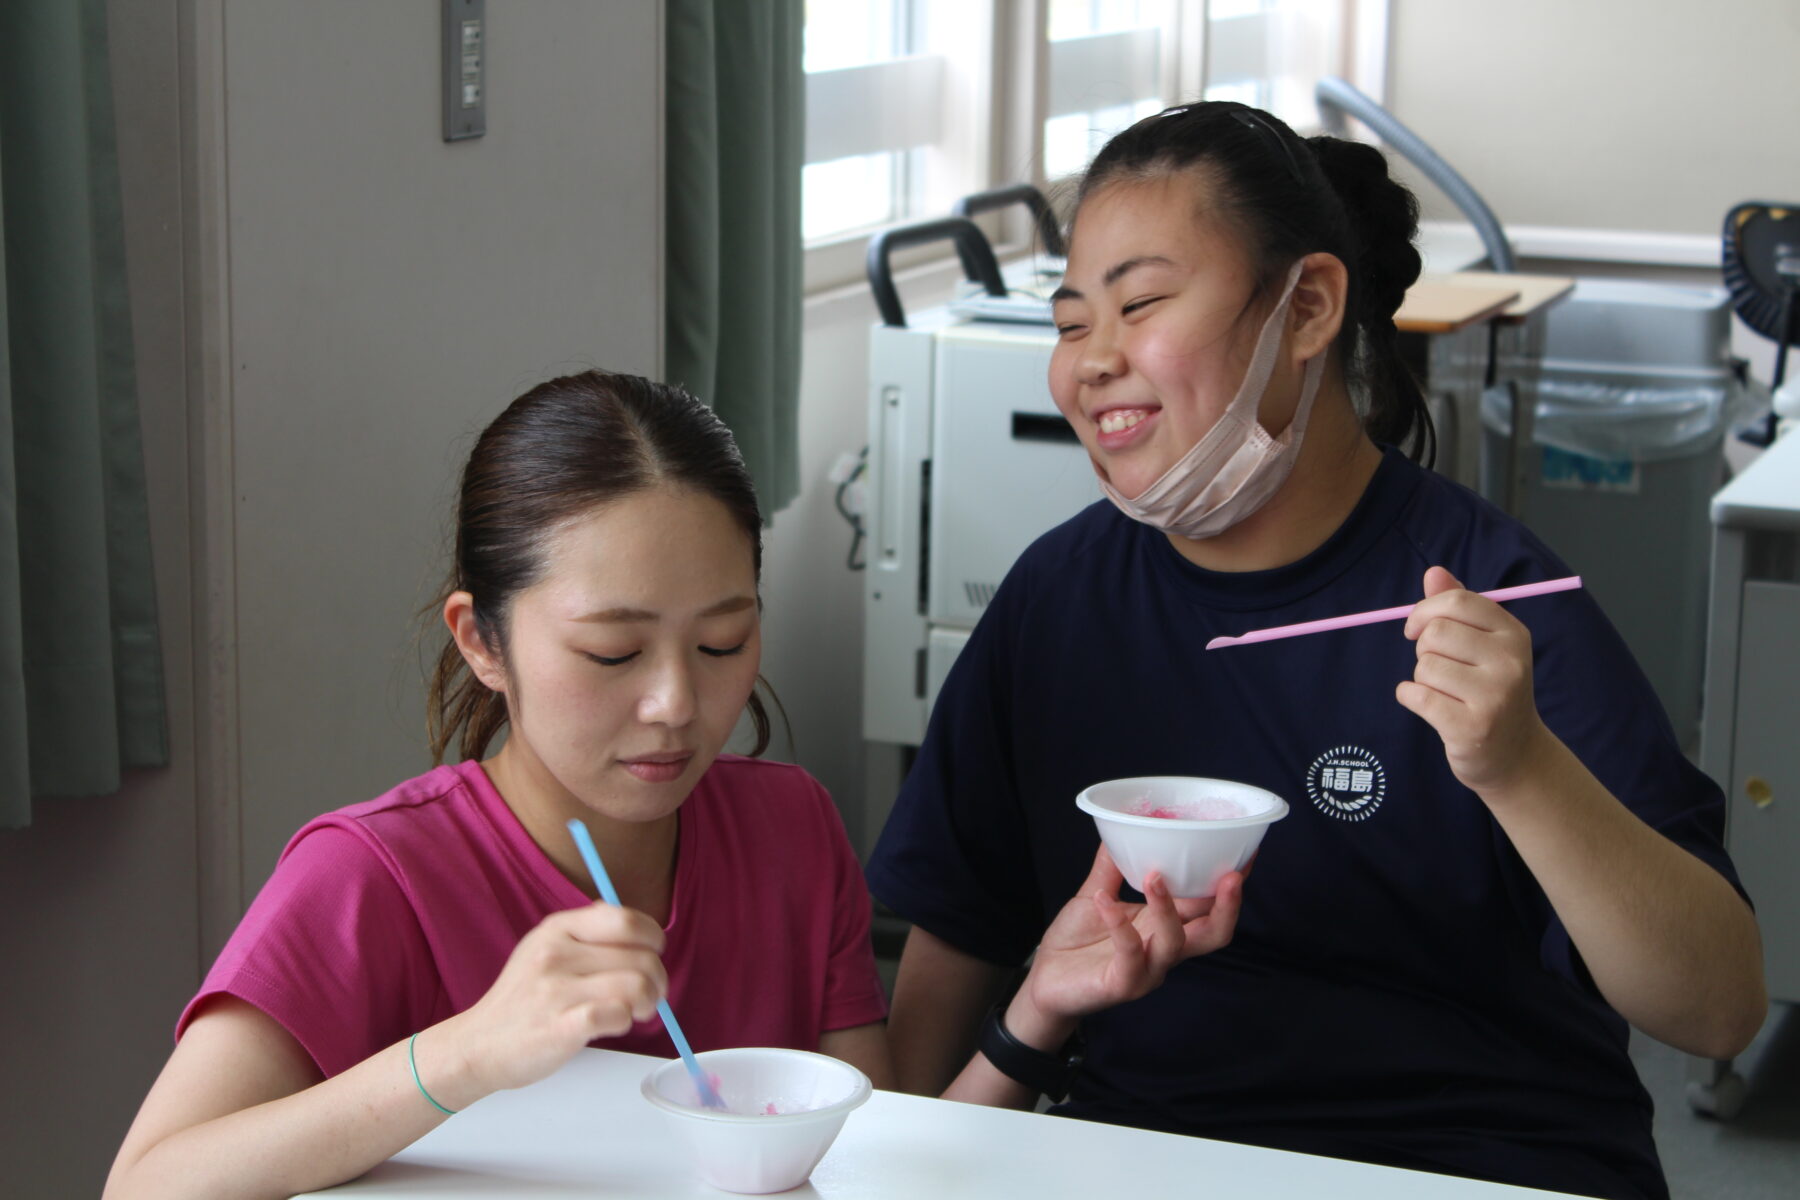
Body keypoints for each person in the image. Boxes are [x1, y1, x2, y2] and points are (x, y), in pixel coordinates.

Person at [868, 101, 1765, 1200]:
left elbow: (1717, 1005)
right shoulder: (1058, 597)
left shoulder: (1484, 599)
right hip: (1143, 1156)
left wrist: (1522, 768)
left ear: (1308, 307)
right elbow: (951, 955)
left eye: (1140, 304)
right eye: (1067, 324)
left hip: (1480, 1164)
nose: (1092, 362)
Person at [106, 370, 892, 1200]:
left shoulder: (792, 828)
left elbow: (875, 1148)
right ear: (482, 641)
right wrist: (470, 1051)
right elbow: (146, 1184)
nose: (676, 705)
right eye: (613, 654)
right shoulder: (370, 876)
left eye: (724, 643)